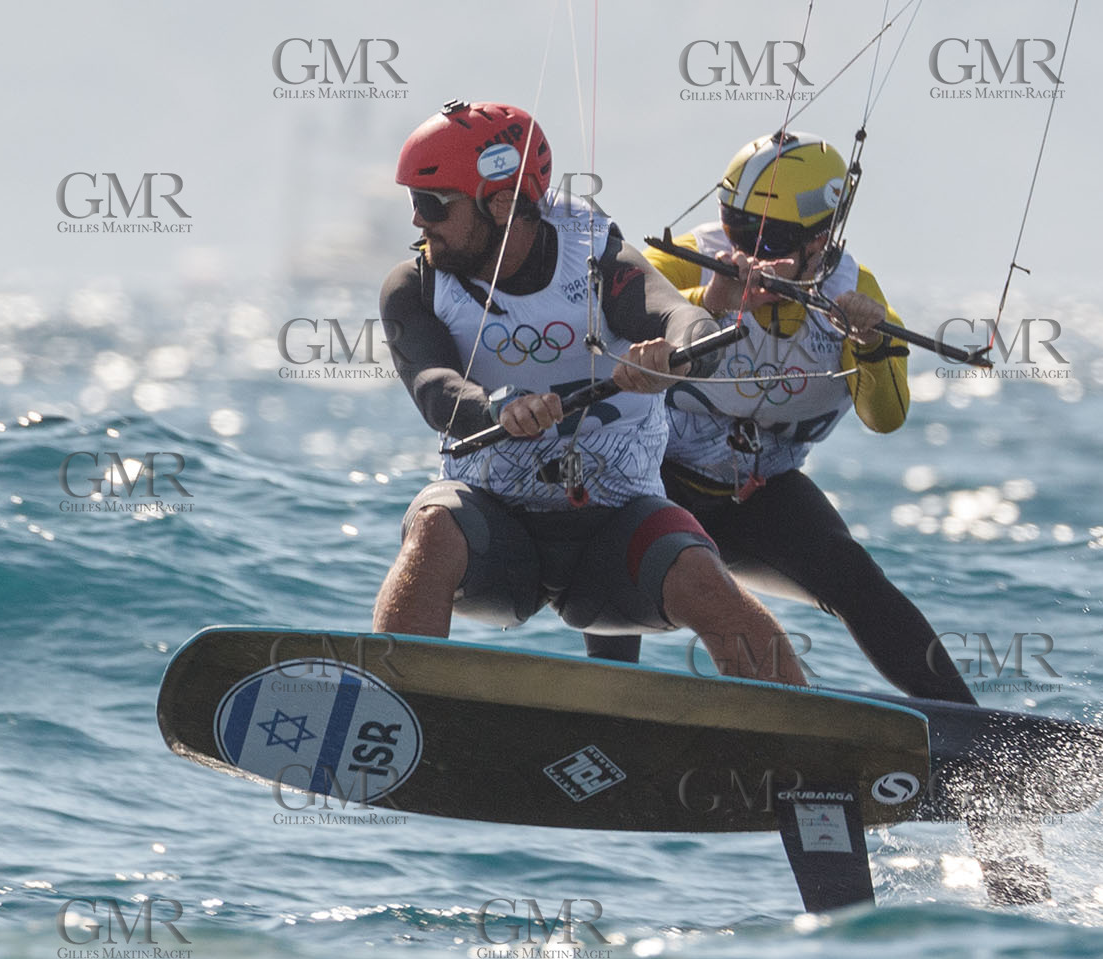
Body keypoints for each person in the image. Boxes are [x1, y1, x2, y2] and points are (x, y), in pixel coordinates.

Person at [373, 100, 806, 686]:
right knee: (432, 527)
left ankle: (805, 747)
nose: (420, 223)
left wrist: (668, 361)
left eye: (432, 205)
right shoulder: (414, 285)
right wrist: (496, 407)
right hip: (498, 531)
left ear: (501, 203)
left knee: (704, 578)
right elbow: (433, 388)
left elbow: (683, 319)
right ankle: (389, 709)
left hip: (616, 531)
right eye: (414, 204)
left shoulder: (597, 256)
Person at [584, 130, 976, 705]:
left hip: (757, 497)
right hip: (652, 478)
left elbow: (885, 417)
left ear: (821, 240)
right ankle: (604, 702)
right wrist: (709, 299)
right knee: (617, 524)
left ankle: (967, 732)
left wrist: (868, 344)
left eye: (775, 242)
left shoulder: (856, 296)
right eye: (740, 229)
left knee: (854, 577)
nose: (752, 255)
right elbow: (593, 328)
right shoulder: (685, 260)